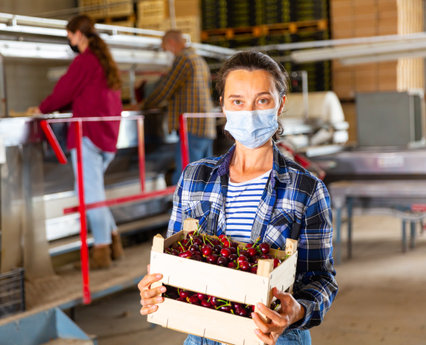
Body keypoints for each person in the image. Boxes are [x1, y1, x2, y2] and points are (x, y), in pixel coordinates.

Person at [138, 51, 338, 345]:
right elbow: (174, 263)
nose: (249, 112)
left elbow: (322, 279)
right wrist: (155, 287)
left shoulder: (306, 188)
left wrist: (298, 310)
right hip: (204, 335)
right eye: (237, 101)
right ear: (223, 106)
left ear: (280, 104)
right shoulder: (195, 178)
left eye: (262, 100)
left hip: (276, 337)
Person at [29, 15, 124, 269]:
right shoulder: (104, 61)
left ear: (78, 34)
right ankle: (114, 240)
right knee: (92, 192)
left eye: (69, 35)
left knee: (88, 195)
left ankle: (102, 249)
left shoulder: (85, 61)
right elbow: (86, 93)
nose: (69, 40)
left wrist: (41, 108)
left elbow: (64, 90)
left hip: (87, 135)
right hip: (107, 136)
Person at [142, 30, 216, 185]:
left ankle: (184, 209)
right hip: (205, 125)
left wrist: (145, 105)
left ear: (171, 43)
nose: (166, 52)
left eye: (165, 48)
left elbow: (166, 89)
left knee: (187, 177)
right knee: (204, 176)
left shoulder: (183, 59)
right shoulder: (199, 60)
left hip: (192, 127)